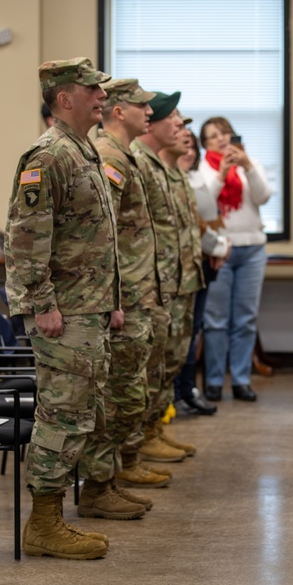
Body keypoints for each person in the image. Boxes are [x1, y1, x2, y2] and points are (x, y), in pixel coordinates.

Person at [5, 57, 120, 559]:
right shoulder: (48, 155)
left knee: (80, 413)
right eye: (92, 90)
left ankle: (53, 516)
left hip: (87, 309)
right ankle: (44, 524)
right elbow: (26, 238)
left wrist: (109, 303)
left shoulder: (84, 152)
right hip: (63, 314)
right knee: (61, 415)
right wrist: (40, 305)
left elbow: (94, 240)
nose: (102, 98)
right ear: (64, 98)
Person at [84, 78, 171, 511]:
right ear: (119, 111)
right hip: (124, 298)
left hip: (137, 293)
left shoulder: (123, 155)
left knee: (129, 391)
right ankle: (97, 490)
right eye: (142, 106)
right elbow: (105, 234)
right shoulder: (109, 156)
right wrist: (114, 298)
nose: (150, 113)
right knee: (117, 395)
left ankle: (111, 478)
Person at [132, 91, 200, 463]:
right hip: (152, 284)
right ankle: (143, 438)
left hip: (178, 278)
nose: (181, 126)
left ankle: (154, 428)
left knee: (169, 360)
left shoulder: (166, 169)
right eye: (172, 117)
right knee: (153, 365)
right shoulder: (140, 163)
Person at [198, 117, 273, 402]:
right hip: (220, 251)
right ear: (204, 143)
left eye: (224, 133)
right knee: (216, 320)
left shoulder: (250, 164)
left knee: (245, 319)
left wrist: (248, 167)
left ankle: (241, 380)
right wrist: (222, 173)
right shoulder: (203, 168)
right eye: (213, 136)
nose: (220, 139)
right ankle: (215, 381)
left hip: (252, 249)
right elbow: (205, 204)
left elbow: (263, 196)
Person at [173, 119, 226, 416]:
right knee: (183, 333)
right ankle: (177, 393)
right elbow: (193, 223)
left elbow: (213, 218)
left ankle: (188, 389)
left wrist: (221, 244)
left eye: (192, 146)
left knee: (194, 331)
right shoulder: (175, 179)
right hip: (185, 263)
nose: (190, 152)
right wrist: (220, 247)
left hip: (204, 262)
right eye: (185, 145)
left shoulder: (196, 179)